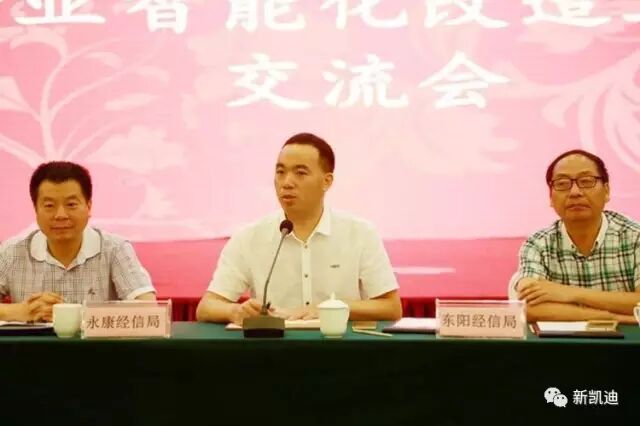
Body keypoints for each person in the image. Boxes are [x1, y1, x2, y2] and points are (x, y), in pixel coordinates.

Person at [197, 133, 402, 325]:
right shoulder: (248, 238)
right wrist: (235, 311)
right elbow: (207, 307)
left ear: (327, 181)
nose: (287, 183)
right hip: (274, 348)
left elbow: (391, 307)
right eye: (280, 172)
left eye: (300, 173)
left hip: (339, 346)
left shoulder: (360, 234)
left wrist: (328, 309)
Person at [0, 161, 156, 322]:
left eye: (71, 204)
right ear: (36, 210)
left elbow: (148, 309)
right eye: (49, 205)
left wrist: (76, 314)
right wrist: (22, 311)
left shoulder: (115, 249)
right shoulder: (11, 251)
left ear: (89, 206)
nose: (60, 215)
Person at [510, 149, 639, 323]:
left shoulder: (635, 237)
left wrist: (568, 293)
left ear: (607, 191)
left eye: (586, 181)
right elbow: (530, 307)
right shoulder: (538, 244)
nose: (575, 192)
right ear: (550, 197)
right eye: (562, 184)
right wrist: (613, 318)